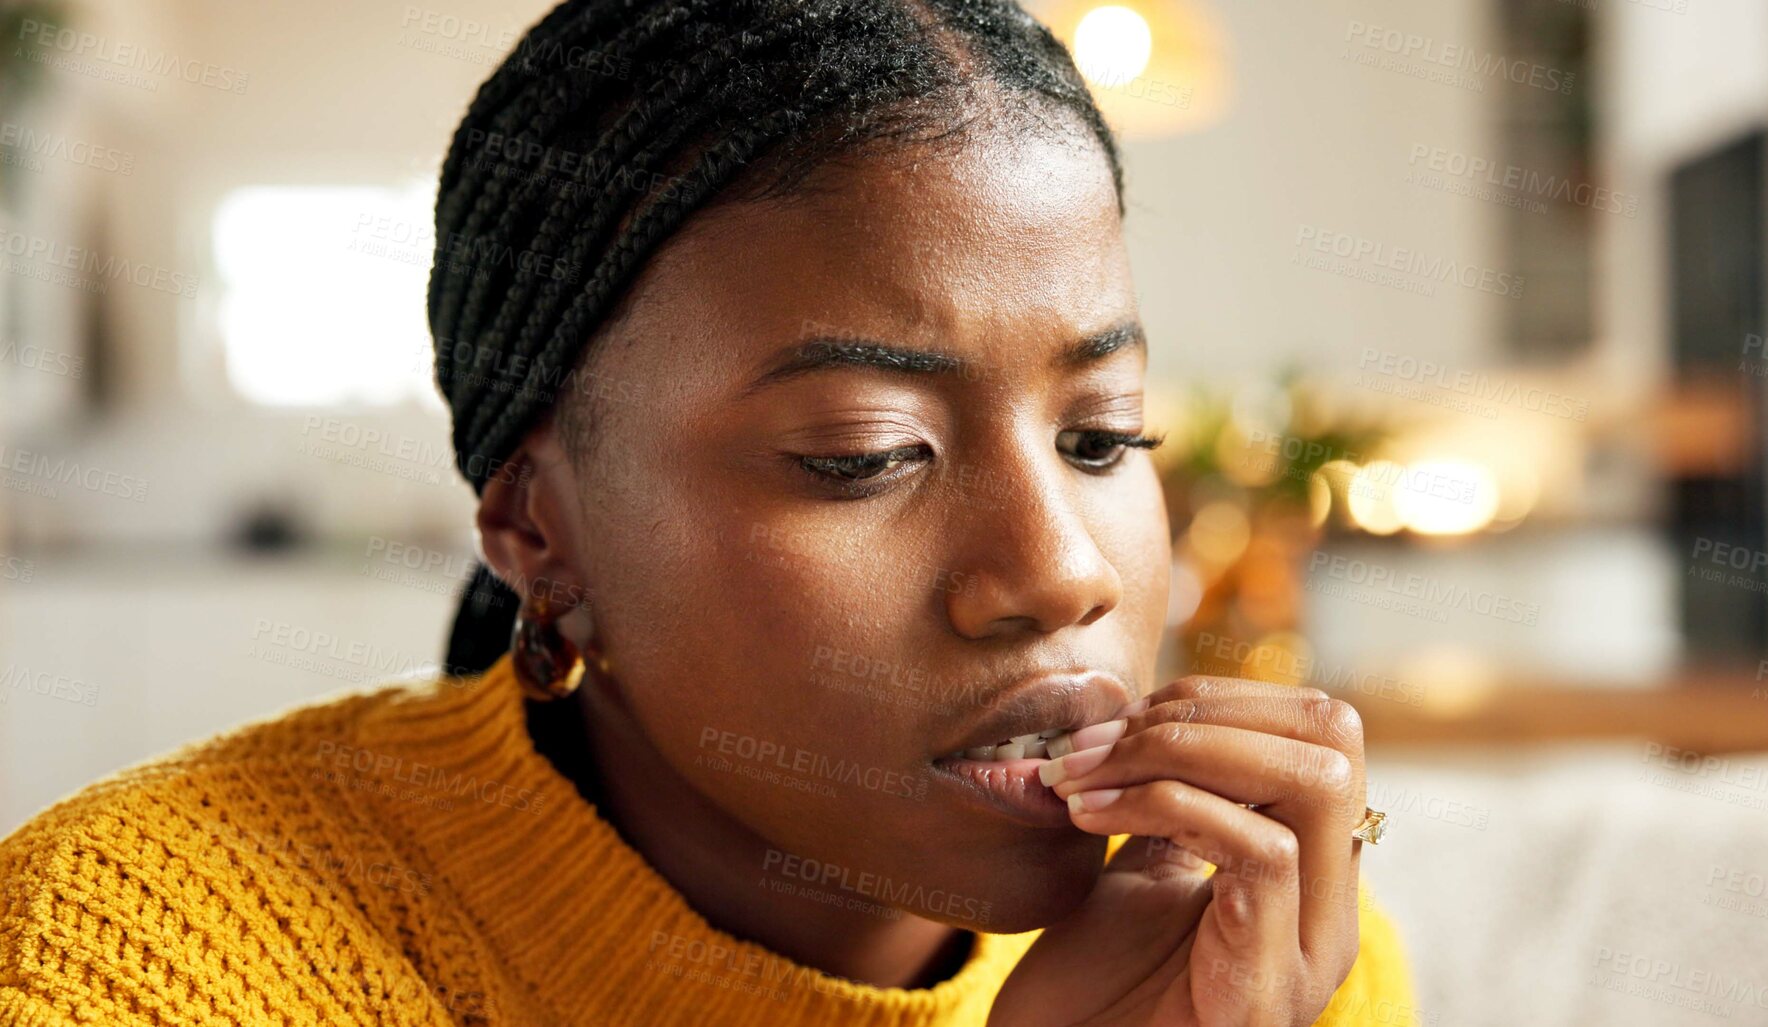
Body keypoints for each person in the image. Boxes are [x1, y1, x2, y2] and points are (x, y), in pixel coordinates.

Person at [0, 0, 1416, 1023]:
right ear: (538, 532)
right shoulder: (132, 967)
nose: (1056, 573)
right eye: (865, 453)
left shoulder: (1259, 946)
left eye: (1102, 437)